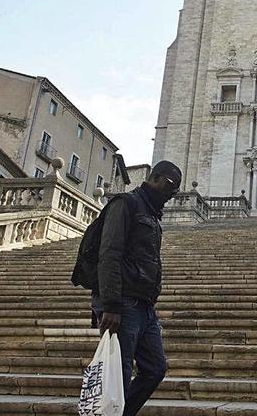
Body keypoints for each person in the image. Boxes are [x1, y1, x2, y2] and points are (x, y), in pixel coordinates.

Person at [92, 160, 181, 416]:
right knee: (118, 374)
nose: (172, 196)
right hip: (122, 304)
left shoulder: (152, 212)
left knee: (155, 367)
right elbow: (109, 253)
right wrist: (110, 305)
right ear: (158, 178)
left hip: (144, 306)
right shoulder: (125, 204)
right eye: (171, 188)